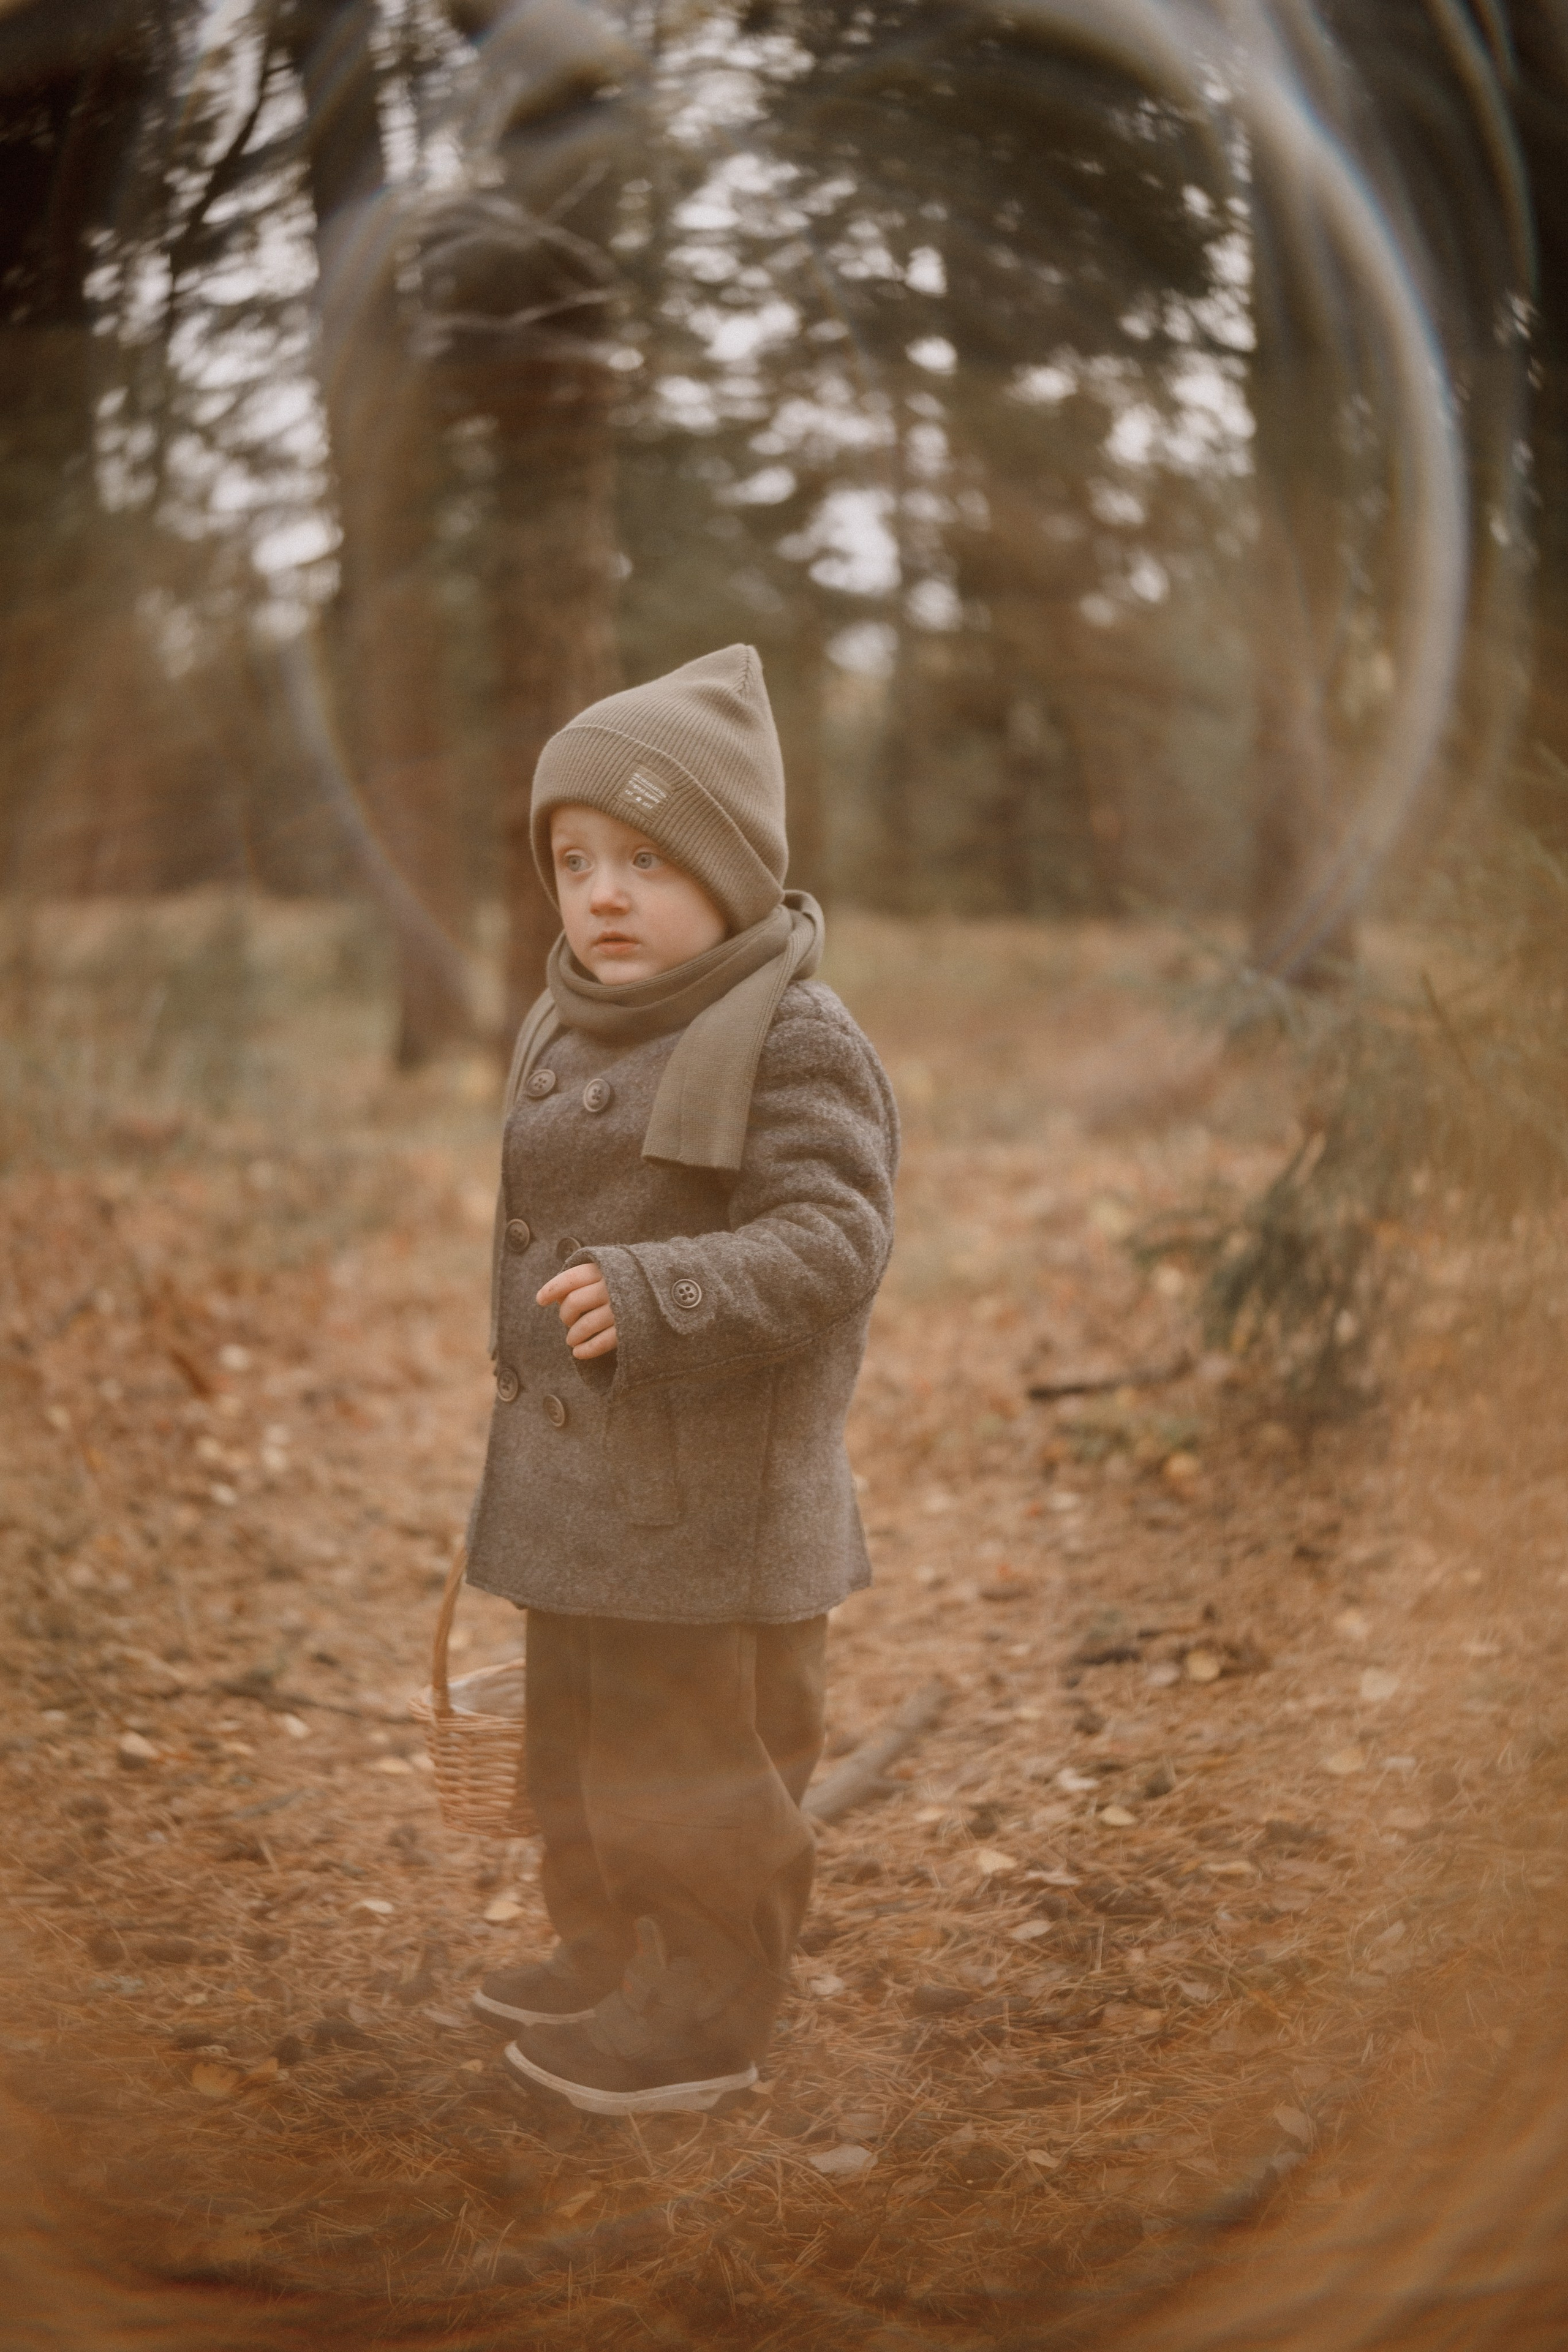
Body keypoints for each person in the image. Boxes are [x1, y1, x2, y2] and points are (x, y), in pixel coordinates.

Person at [462, 644, 899, 2117]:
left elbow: (835, 1237)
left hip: (706, 1506)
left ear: (730, 866)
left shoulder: (791, 1034)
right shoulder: (570, 1016)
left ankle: (703, 2013)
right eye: (574, 859)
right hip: (586, 1487)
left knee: (689, 1763)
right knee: (579, 1746)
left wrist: (662, 1291)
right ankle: (609, 1951)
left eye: (646, 858)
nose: (599, 894)